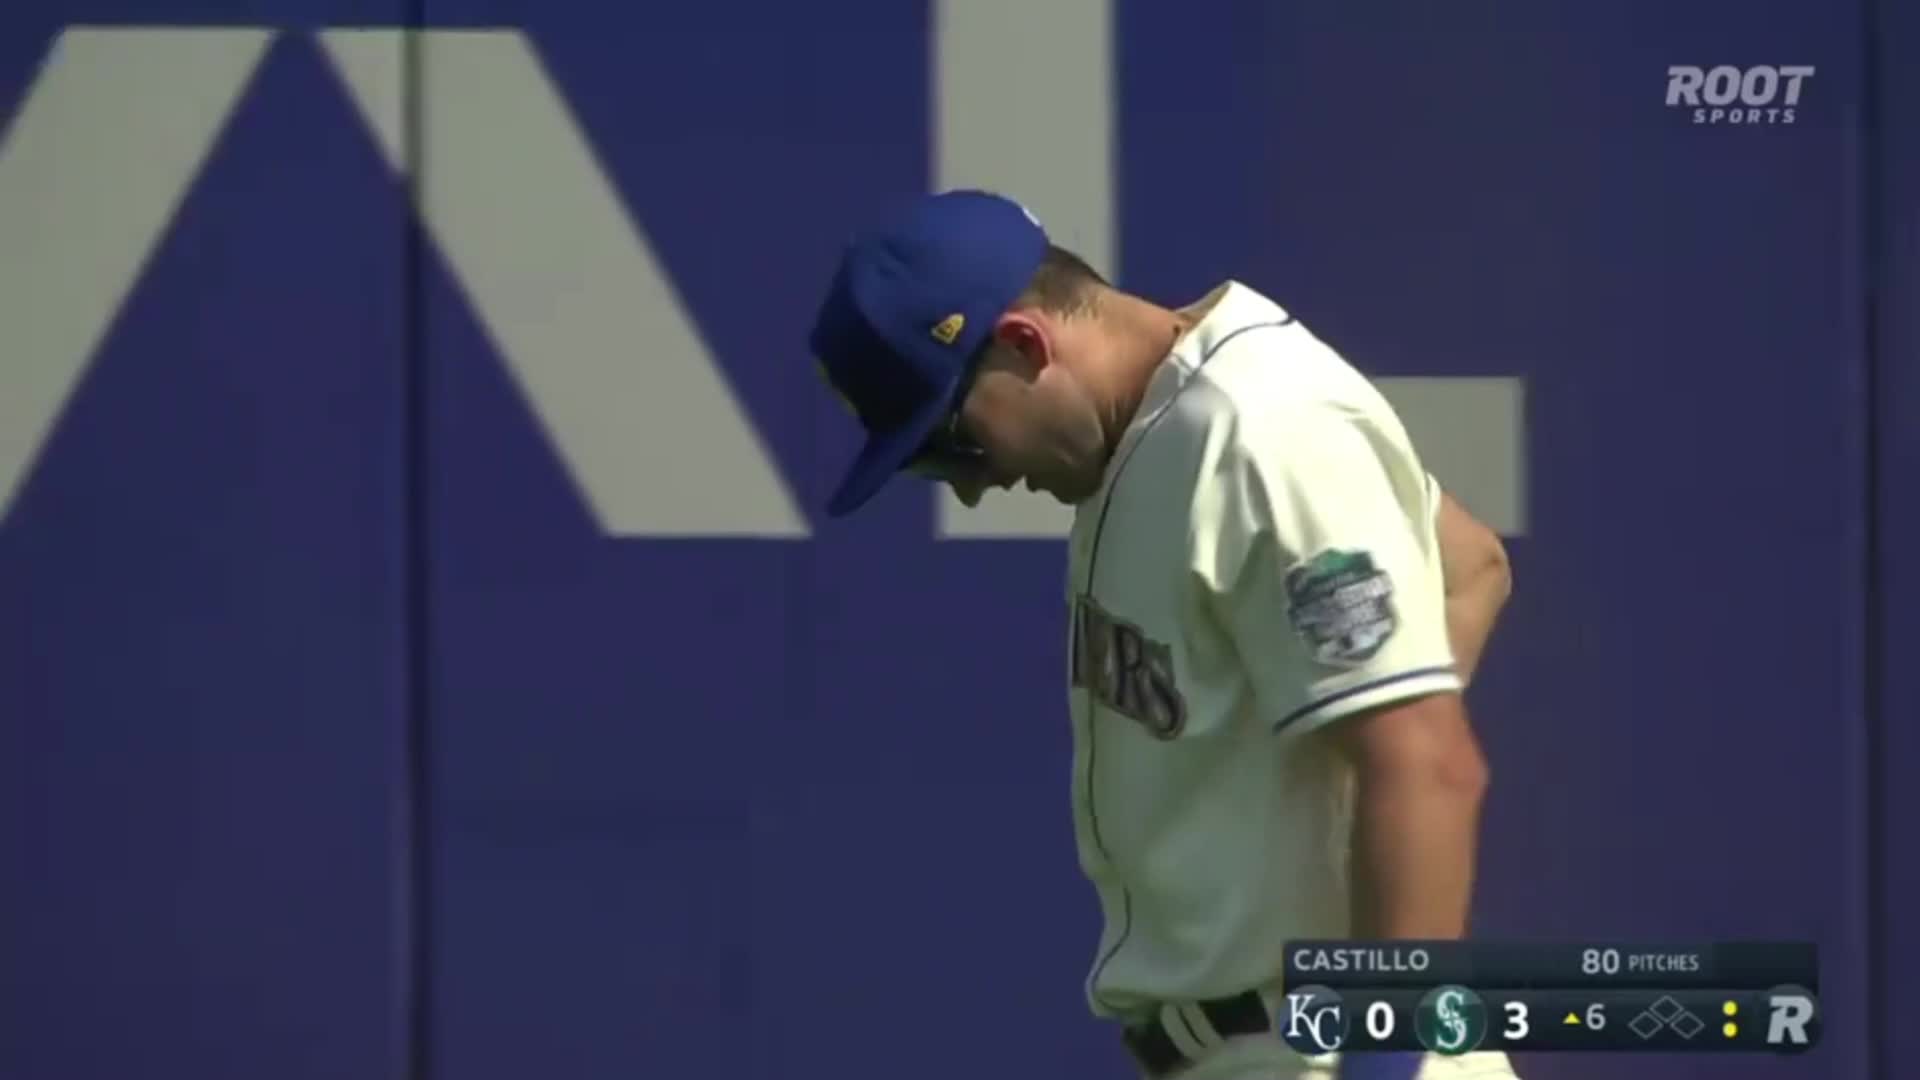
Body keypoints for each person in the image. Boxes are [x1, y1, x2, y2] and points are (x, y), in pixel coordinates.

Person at [808, 189, 1518, 1080]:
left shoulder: (1259, 432)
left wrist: (1391, 1050)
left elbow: (1425, 764)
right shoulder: (1159, 434)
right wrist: (1319, 785)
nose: (971, 487)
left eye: (954, 442)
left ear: (1026, 345)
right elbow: (1466, 563)